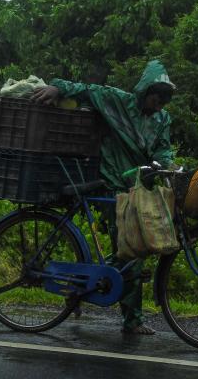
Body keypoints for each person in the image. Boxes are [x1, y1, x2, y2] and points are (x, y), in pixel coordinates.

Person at [31, 59, 176, 335]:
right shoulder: (117, 101)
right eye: (158, 98)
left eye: (165, 100)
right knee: (130, 248)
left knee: (135, 251)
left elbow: (163, 151)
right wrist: (57, 88)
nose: (160, 104)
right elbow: (87, 90)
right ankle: (129, 318)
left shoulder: (162, 120)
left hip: (141, 187)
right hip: (114, 185)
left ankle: (83, 286)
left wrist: (165, 165)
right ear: (146, 91)